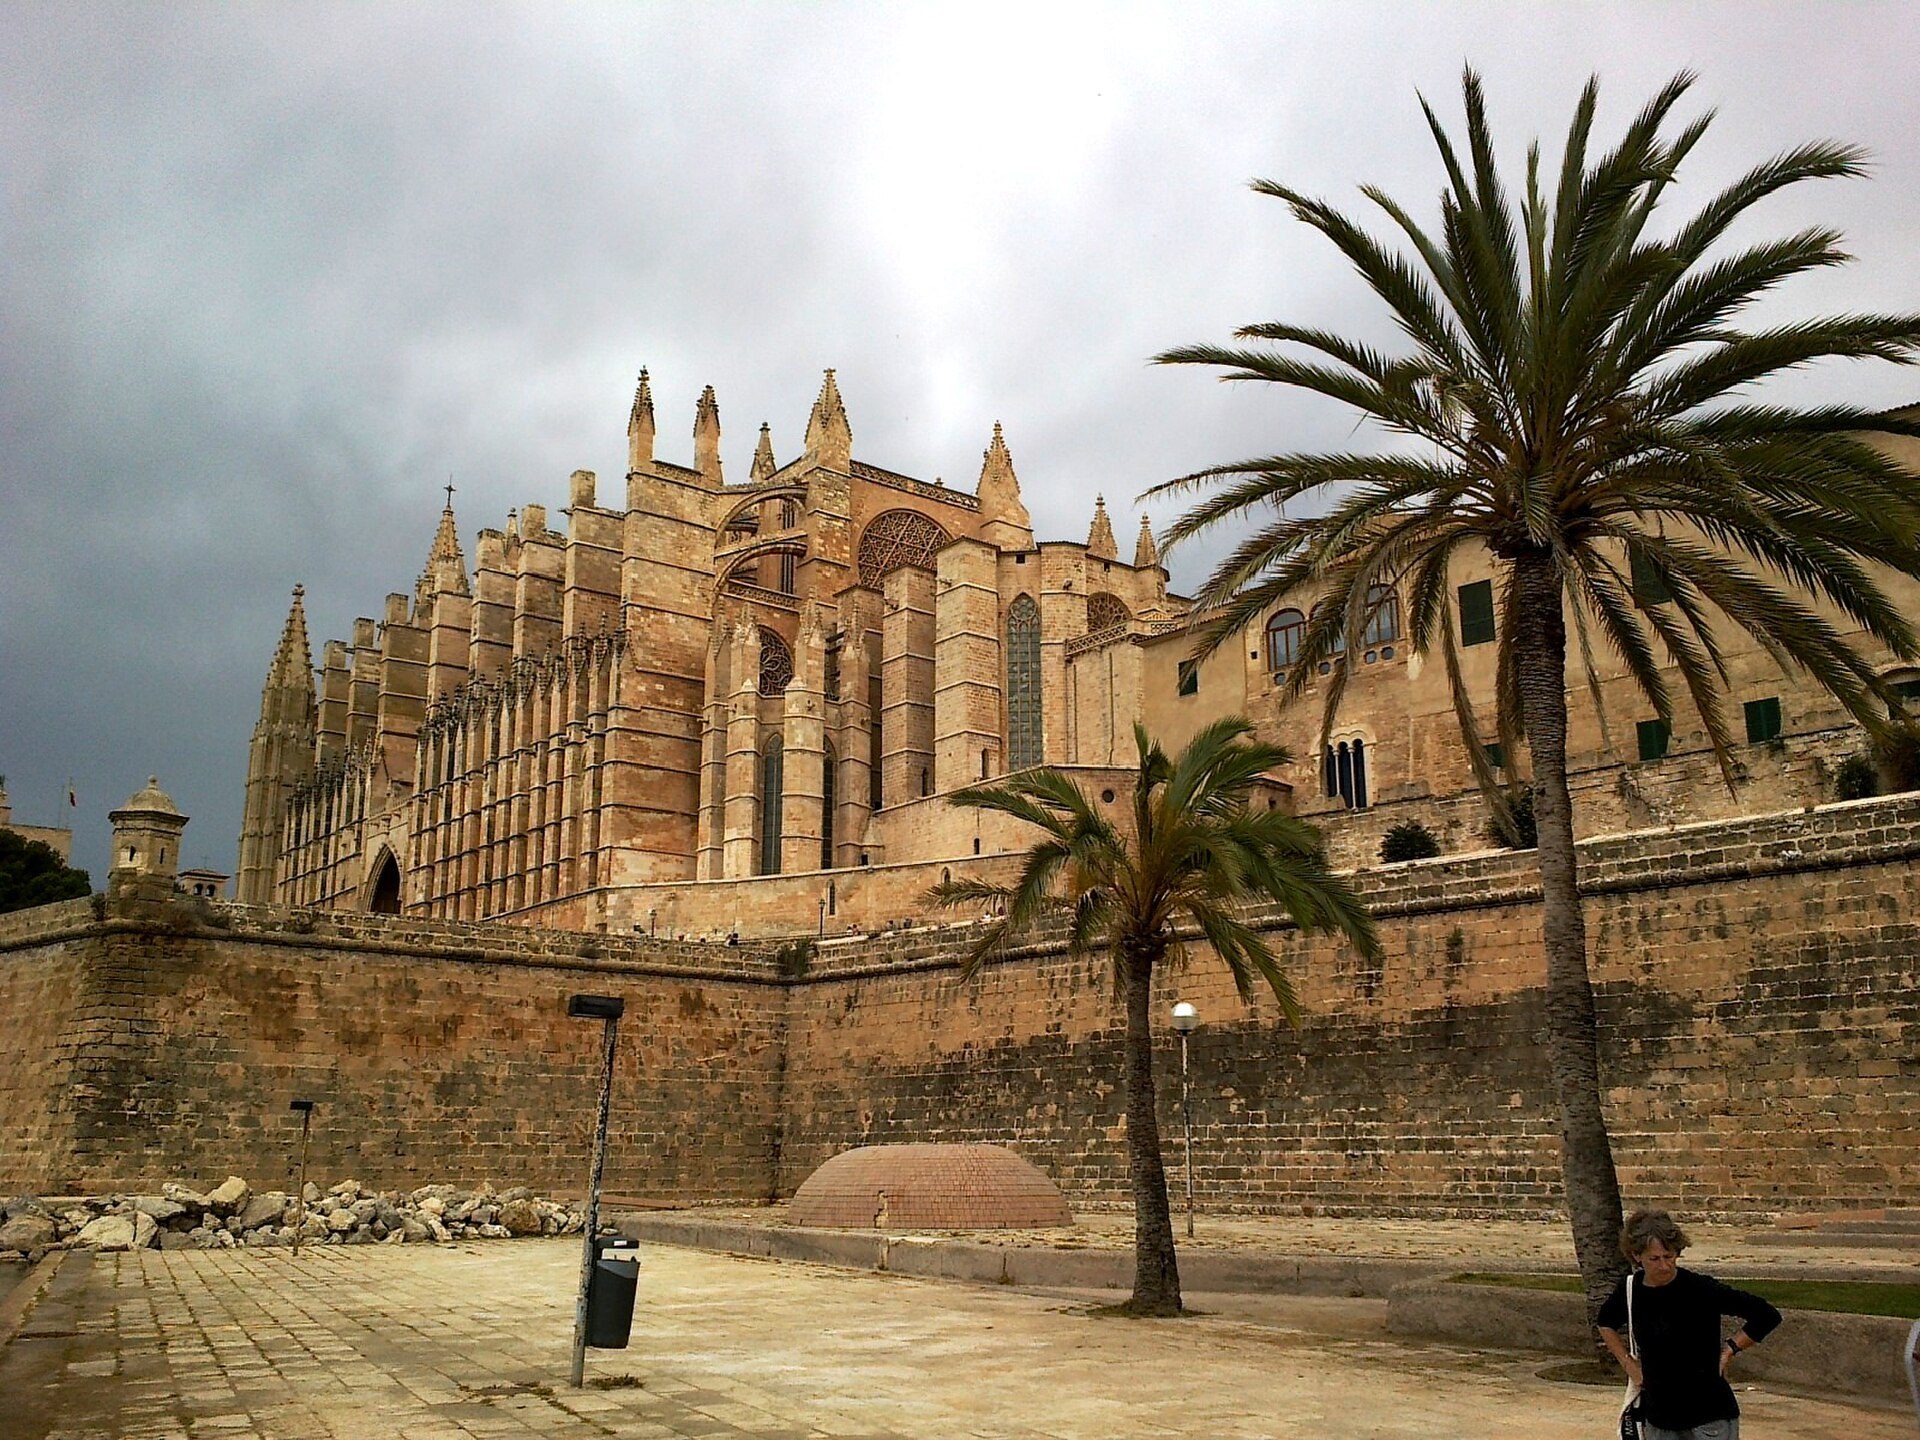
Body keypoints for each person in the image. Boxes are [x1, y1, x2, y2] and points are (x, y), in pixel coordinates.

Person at [1596, 1209, 1781, 1440]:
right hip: (1659, 1417)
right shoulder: (1629, 1290)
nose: (1664, 1265)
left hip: (1709, 1415)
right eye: (1654, 1259)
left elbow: (1766, 1314)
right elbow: (1605, 1323)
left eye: (1669, 1256)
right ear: (1636, 1256)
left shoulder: (1701, 1288)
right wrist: (1628, 1364)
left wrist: (1730, 1350)